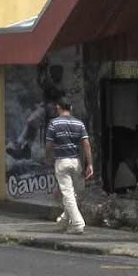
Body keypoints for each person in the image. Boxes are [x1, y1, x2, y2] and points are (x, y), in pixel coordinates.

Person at [45, 99, 93, 234]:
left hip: (61, 161)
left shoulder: (54, 123)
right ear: (71, 107)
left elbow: (49, 145)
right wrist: (89, 164)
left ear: (58, 107)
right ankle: (65, 218)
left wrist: (47, 158)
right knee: (73, 193)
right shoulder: (79, 123)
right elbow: (86, 144)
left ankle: (78, 223)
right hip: (76, 161)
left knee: (68, 194)